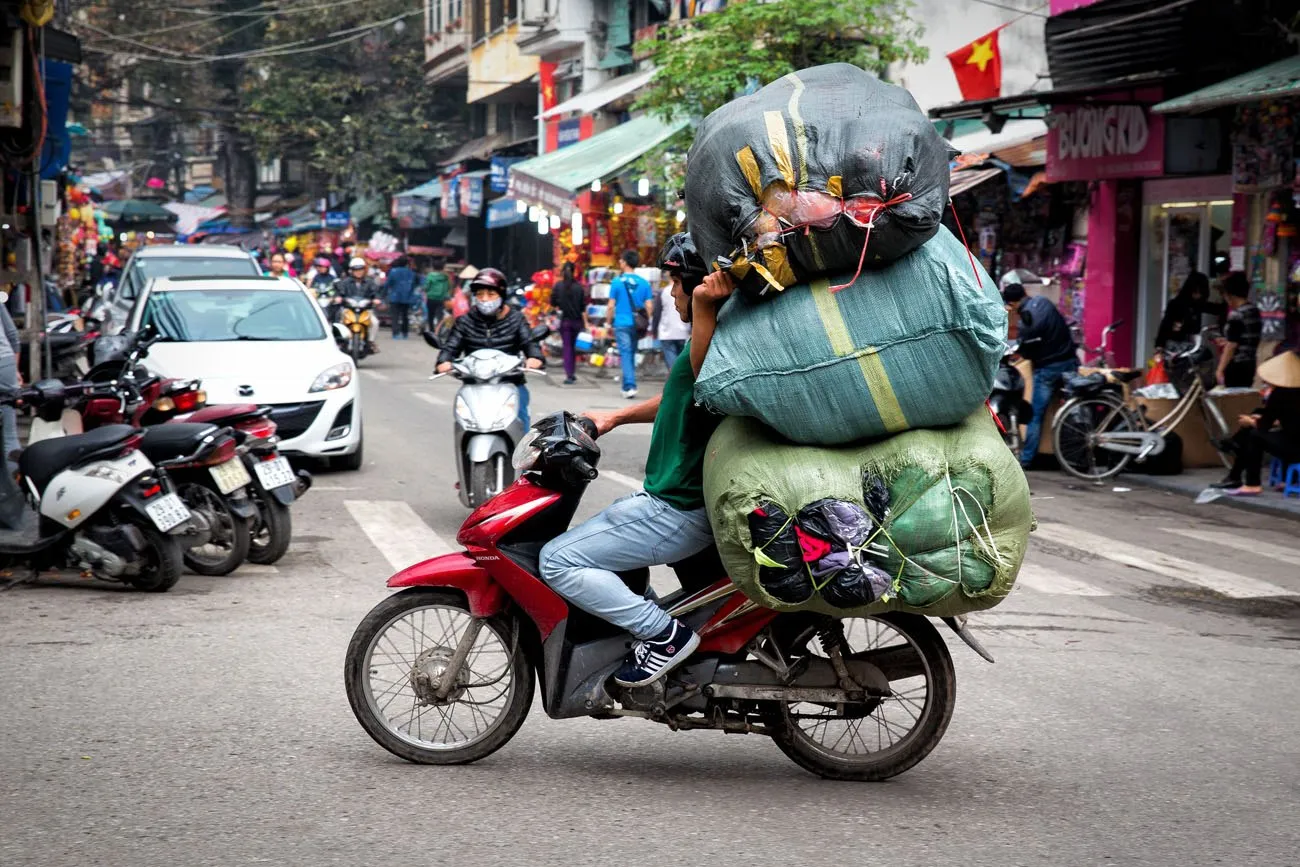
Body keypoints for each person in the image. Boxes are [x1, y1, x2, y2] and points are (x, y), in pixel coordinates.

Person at [539, 233, 729, 688]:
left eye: (675, 282)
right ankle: (640, 628)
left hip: (678, 508)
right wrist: (615, 417)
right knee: (610, 543)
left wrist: (703, 305)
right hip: (669, 498)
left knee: (557, 561)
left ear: (698, 283)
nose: (670, 292)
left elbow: (708, 385)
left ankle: (662, 636)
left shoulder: (716, 331)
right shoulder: (706, 334)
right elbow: (679, 395)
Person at [435, 268, 543, 426]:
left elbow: (529, 342)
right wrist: (444, 361)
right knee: (463, 421)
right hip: (474, 384)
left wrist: (535, 357)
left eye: (491, 294)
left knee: (521, 421)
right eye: (480, 294)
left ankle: (522, 450)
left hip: (510, 382)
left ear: (502, 295)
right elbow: (451, 346)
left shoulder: (517, 319)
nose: (485, 299)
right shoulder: (464, 321)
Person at [1002, 279, 1078, 469]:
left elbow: (1026, 350)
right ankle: (1075, 455)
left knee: (1034, 414)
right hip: (1070, 363)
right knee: (1074, 410)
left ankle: (1027, 459)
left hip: (1047, 370)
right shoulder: (1044, 302)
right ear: (1025, 292)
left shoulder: (1026, 321)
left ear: (1012, 304)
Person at [1212, 350, 1300, 495]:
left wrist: (1250, 421)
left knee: (1254, 436)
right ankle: (1235, 469)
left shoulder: (1281, 393)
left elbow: (1265, 425)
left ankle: (1251, 482)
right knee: (1254, 428)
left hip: (1295, 447)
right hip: (1293, 440)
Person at [606, 250, 653, 399]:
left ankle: (630, 386)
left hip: (621, 323)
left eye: (620, 261)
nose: (620, 263)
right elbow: (649, 305)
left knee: (625, 353)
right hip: (637, 324)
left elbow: (610, 305)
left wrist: (608, 322)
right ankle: (627, 385)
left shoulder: (617, 282)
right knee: (631, 353)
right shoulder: (644, 282)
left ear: (625, 262)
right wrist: (648, 321)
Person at [328, 257, 384, 351]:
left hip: (366, 310)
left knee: (375, 322)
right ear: (351, 271)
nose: (359, 272)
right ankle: (339, 341)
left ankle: (371, 342)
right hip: (348, 309)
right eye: (356, 270)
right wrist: (338, 297)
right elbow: (339, 292)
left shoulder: (370, 282)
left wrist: (377, 299)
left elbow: (376, 293)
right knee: (339, 321)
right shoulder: (345, 282)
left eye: (361, 270)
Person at [1216, 271, 1260, 388]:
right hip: (1250, 364)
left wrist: (1220, 369)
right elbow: (1247, 338)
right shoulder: (1254, 310)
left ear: (1230, 295)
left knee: (1232, 400)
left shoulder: (1236, 314)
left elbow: (1232, 345)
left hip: (1236, 365)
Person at [1155, 272, 1209, 357]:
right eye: (1195, 292)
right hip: (1174, 347)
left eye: (1200, 293)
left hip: (1191, 347)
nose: (1197, 295)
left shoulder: (1199, 305)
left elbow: (1216, 309)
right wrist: (1159, 347)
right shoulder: (1176, 304)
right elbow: (1165, 325)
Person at [652, 260, 691, 372]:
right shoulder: (686, 289)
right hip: (683, 331)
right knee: (680, 365)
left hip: (667, 333)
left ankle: (674, 384)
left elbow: (657, 313)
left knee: (673, 367)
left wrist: (654, 331)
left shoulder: (663, 292)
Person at [552, 262, 587, 385]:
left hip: (564, 322)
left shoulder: (558, 286)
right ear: (574, 271)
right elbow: (583, 307)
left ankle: (569, 374)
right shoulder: (579, 287)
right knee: (573, 347)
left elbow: (552, 302)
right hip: (577, 321)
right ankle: (572, 372)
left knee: (567, 347)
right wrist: (586, 324)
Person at [0, 291, 20, 472]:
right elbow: (13, 335)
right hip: (5, 364)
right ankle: (16, 485)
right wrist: (15, 370)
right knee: (9, 434)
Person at [384, 256, 419, 340]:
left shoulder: (393, 272)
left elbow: (388, 284)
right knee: (405, 316)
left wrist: (384, 293)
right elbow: (414, 285)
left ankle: (396, 333)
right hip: (407, 297)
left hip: (395, 296)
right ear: (407, 264)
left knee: (395, 316)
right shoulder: (411, 273)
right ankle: (405, 333)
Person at [423, 258, 452, 329]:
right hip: (442, 299)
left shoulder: (430, 276)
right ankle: (438, 331)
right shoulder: (446, 276)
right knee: (440, 315)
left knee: (431, 315)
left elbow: (426, 287)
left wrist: (426, 290)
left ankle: (431, 330)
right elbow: (449, 287)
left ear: (433, 267)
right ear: (442, 267)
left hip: (431, 298)